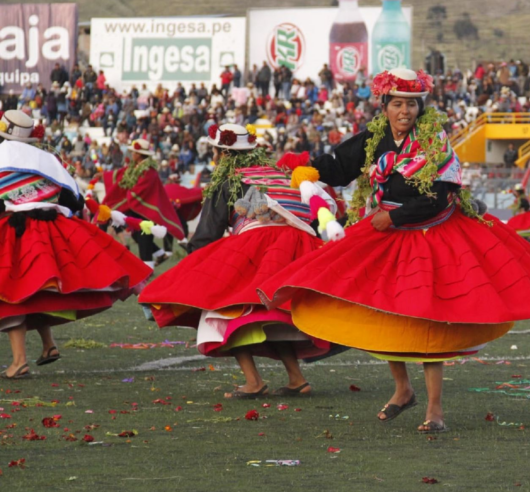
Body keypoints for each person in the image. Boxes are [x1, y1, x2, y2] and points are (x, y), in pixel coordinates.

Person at [259, 68, 530, 433]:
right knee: (387, 311)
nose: (404, 111)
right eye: (397, 104)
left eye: (411, 104)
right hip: (385, 231)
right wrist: (302, 168)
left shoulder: (434, 141)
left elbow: (440, 195)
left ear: (420, 107)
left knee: (426, 318)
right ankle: (403, 389)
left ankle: (435, 410)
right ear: (384, 106)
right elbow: (338, 167)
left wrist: (397, 216)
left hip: (429, 231)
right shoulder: (373, 139)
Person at [139, 124, 344, 398]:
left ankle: (253, 381)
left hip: (256, 246)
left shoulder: (227, 179)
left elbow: (208, 234)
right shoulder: (279, 174)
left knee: (224, 309)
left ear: (221, 153)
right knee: (270, 313)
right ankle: (296, 379)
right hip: (296, 245)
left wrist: (193, 270)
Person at [0, 110, 151, 378]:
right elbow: (74, 200)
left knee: (13, 290)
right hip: (52, 227)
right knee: (36, 288)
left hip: (17, 228)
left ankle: (19, 360)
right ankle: (48, 346)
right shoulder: (47, 158)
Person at [96, 139, 185, 268]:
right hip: (137, 211)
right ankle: (159, 254)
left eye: (134, 152)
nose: (132, 154)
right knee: (137, 236)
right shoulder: (136, 167)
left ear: (139, 154)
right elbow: (122, 174)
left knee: (144, 240)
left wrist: (125, 198)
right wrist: (103, 175)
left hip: (145, 212)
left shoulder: (149, 171)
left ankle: (148, 268)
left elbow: (140, 191)